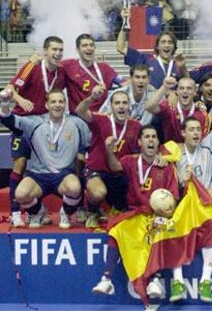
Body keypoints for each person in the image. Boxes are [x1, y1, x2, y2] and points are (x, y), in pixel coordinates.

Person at [167, 78, 212, 303]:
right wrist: (181, 180)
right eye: (191, 130)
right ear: (183, 133)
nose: (196, 133)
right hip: (182, 207)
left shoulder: (209, 145)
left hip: (207, 205)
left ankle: (205, 282)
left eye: (199, 129)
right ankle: (177, 281)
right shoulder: (174, 151)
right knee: (173, 229)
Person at [91, 126, 180, 302]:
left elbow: (174, 198)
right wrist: (109, 150)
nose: (151, 140)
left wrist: (164, 210)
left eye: (154, 137)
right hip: (135, 213)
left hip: (158, 215)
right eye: (146, 136)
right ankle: (106, 279)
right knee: (117, 231)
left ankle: (156, 279)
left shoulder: (167, 167)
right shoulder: (130, 161)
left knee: (156, 232)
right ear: (139, 142)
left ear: (158, 143)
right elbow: (114, 166)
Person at [0, 89, 90, 229]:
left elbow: (86, 148)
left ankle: (65, 213)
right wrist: (5, 102)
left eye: (61, 101)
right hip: (37, 174)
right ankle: (39, 212)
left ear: (65, 104)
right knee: (21, 194)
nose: (57, 105)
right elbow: (8, 120)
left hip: (64, 175)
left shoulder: (78, 124)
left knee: (75, 188)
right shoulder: (35, 122)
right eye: (53, 101)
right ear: (47, 105)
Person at [5, 35, 65, 227]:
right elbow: (9, 87)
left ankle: (39, 211)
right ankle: (15, 212)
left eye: (60, 50)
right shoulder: (32, 66)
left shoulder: (62, 72)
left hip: (46, 126)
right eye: (53, 49)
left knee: (50, 168)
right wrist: (19, 99)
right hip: (24, 122)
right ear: (45, 51)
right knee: (19, 165)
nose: (57, 53)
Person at [76, 86, 142, 228]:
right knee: (99, 193)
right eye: (117, 103)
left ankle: (117, 207)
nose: (121, 106)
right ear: (111, 106)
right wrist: (92, 98)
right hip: (97, 170)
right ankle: (92, 210)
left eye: (124, 103)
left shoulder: (136, 126)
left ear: (129, 106)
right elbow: (80, 111)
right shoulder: (101, 120)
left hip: (120, 173)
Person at [117, 16, 184, 88]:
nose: (166, 45)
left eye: (170, 42)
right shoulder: (146, 59)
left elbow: (185, 84)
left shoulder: (177, 64)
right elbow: (121, 48)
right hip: (150, 98)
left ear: (174, 47)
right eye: (163, 42)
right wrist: (125, 23)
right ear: (157, 46)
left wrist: (183, 68)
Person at [62, 33, 122, 113]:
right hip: (78, 117)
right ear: (77, 49)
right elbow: (51, 64)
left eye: (91, 45)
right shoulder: (69, 66)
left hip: (101, 115)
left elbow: (123, 82)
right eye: (85, 45)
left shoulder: (104, 67)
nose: (89, 48)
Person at [145, 76, 208, 142]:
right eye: (181, 88)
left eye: (189, 88)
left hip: (192, 150)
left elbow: (203, 141)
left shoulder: (201, 113)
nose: (185, 91)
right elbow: (149, 107)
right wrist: (164, 87)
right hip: (170, 151)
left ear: (195, 92)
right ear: (177, 91)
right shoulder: (169, 106)